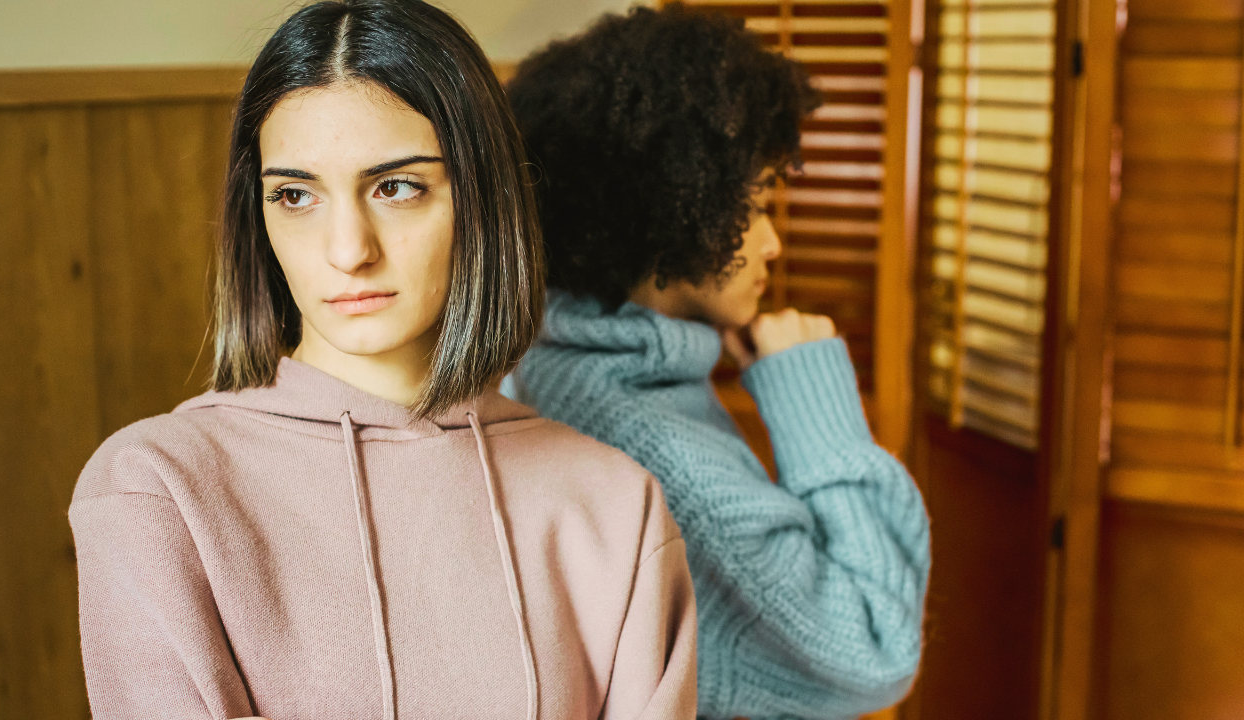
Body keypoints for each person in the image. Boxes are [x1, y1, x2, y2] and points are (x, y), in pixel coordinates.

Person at [68, 2, 697, 718]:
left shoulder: (615, 505)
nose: (348, 250)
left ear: (483, 200)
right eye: (296, 195)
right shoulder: (157, 489)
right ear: (259, 213)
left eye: (396, 187)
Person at [503, 6, 930, 719]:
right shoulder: (659, 452)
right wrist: (814, 400)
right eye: (756, 206)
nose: (772, 245)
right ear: (674, 208)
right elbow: (877, 652)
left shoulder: (549, 359)